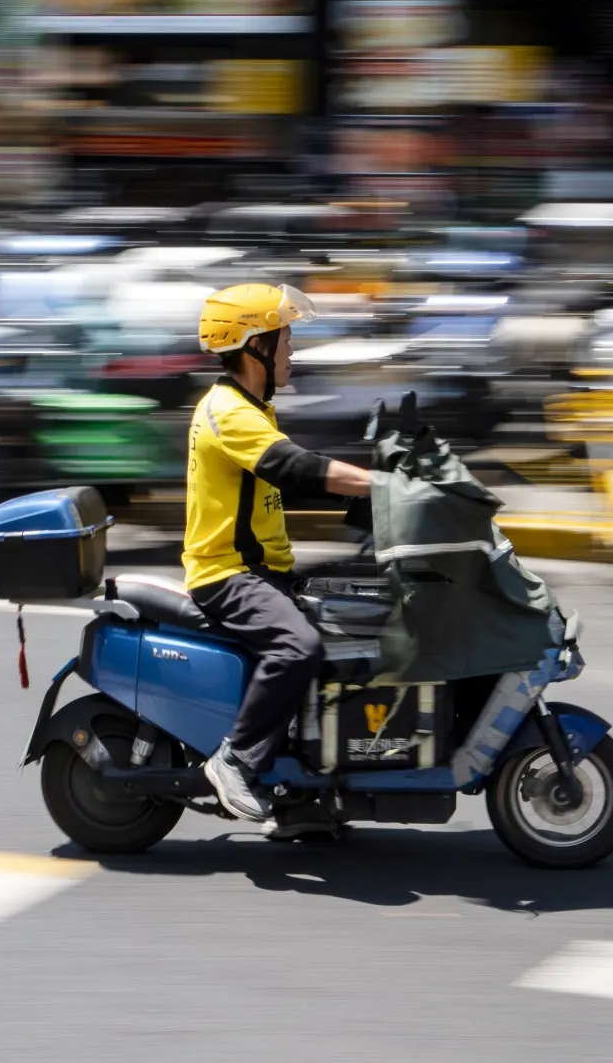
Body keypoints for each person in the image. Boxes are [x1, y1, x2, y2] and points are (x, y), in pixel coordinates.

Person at [187, 283, 371, 822]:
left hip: (265, 571)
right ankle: (236, 762)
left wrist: (365, 495)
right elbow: (295, 467)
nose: (292, 352)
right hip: (228, 574)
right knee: (299, 646)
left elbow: (289, 480)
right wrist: (378, 484)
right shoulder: (228, 411)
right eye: (285, 340)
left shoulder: (253, 407)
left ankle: (304, 785)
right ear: (254, 348)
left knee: (356, 617)